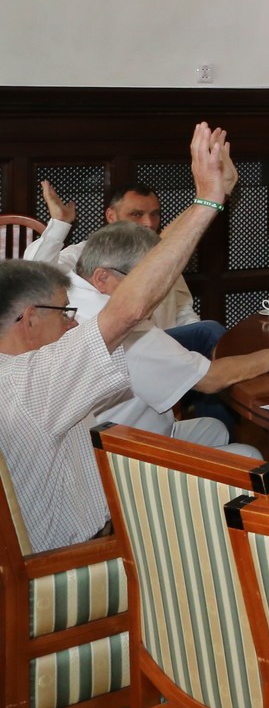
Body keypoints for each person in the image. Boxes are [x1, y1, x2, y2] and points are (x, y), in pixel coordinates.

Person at [0, 123, 232, 552]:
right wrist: (207, 200)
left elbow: (146, 263)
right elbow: (127, 309)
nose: (73, 323)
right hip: (84, 554)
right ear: (28, 320)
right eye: (64, 313)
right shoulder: (37, 380)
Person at [71, 223, 269, 451]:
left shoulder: (71, 292)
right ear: (102, 277)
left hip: (112, 435)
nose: (157, 294)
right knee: (250, 456)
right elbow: (211, 379)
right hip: (125, 452)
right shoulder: (121, 329)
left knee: (214, 429)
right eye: (148, 282)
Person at [30, 179, 225, 356]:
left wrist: (197, 352)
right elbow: (35, 276)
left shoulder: (165, 256)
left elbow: (183, 310)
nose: (148, 223)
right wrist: (60, 223)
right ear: (111, 215)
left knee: (209, 336)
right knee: (209, 332)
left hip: (168, 348)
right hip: (120, 349)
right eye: (136, 214)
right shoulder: (85, 253)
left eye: (155, 214)